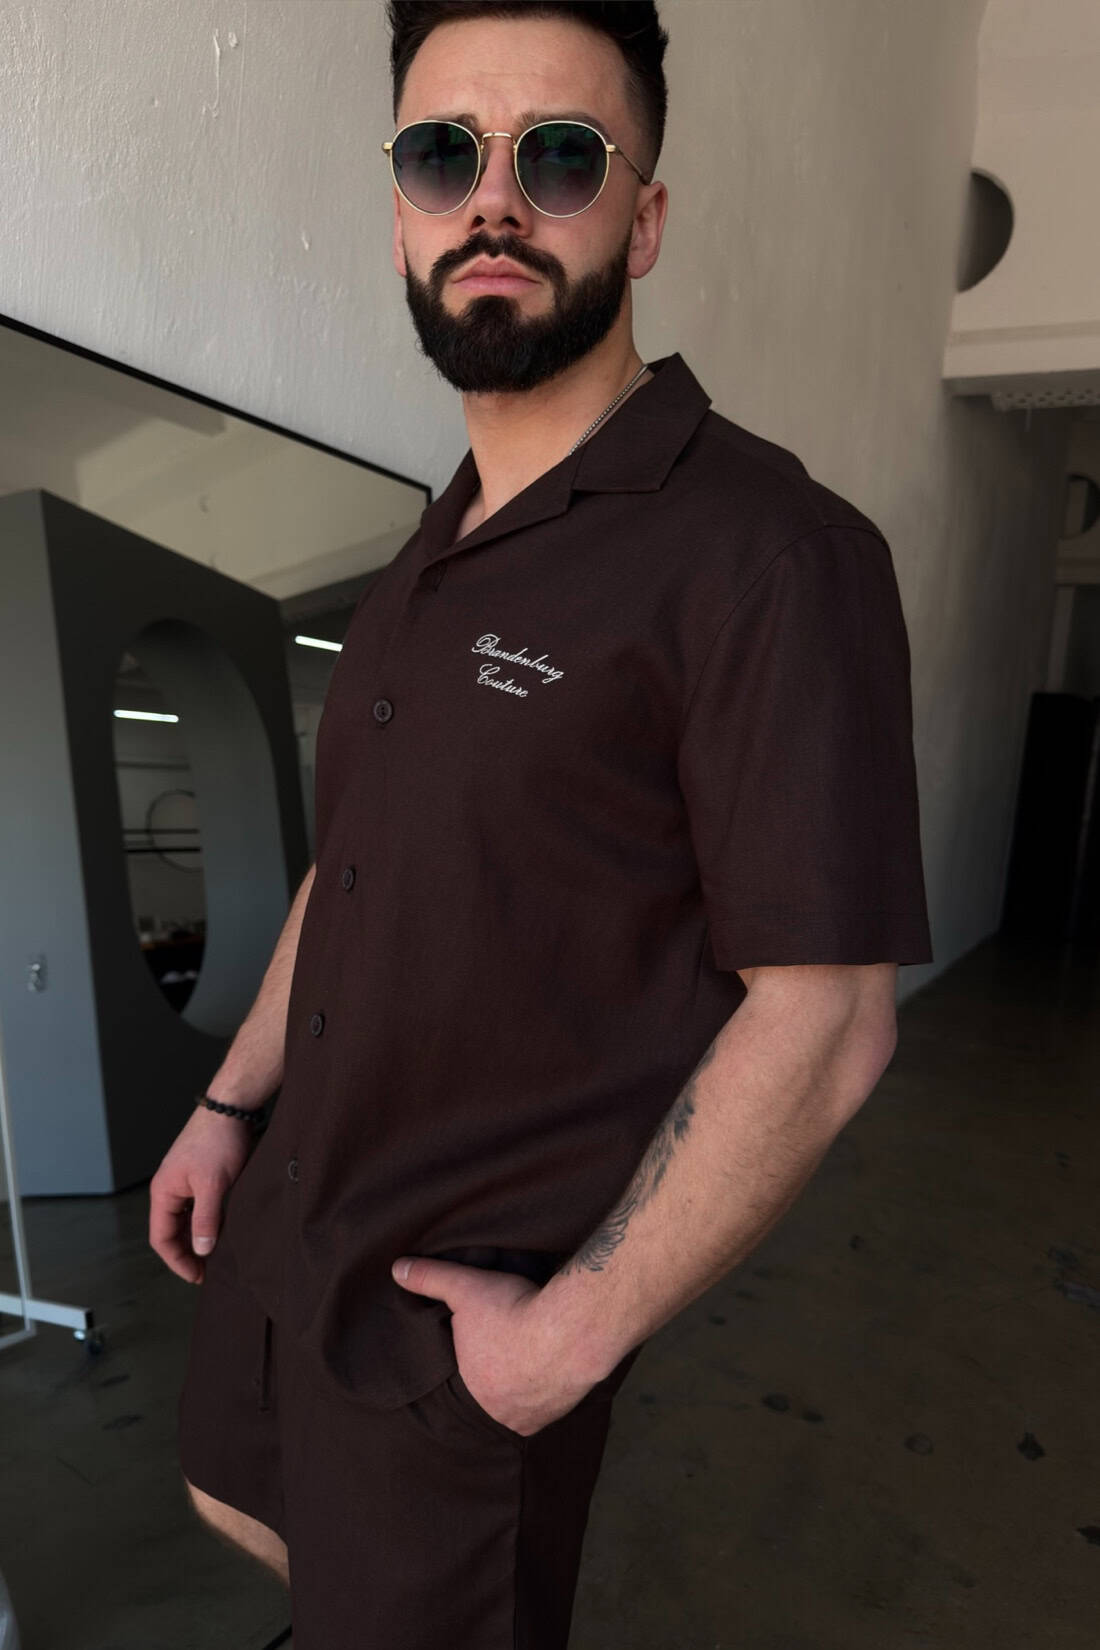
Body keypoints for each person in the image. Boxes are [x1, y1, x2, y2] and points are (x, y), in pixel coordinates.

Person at [153, 4, 934, 1647]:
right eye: (446, 155)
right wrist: (229, 1103)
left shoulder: (772, 555)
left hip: (461, 1327)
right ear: (402, 215)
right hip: (292, 1226)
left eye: (561, 157)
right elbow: (351, 866)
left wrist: (566, 1337)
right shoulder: (428, 553)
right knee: (242, 1505)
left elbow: (829, 1015)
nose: (495, 199)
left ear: (642, 220)